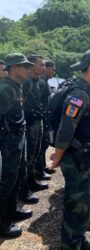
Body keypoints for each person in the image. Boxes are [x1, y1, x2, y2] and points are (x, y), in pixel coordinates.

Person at [49, 49, 90, 250]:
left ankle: (79, 240)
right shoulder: (79, 94)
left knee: (83, 203)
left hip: (82, 157)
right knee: (76, 205)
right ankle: (70, 245)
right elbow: (66, 129)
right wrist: (56, 157)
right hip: (75, 159)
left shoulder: (86, 90)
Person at [0, 53, 33, 238]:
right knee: (7, 181)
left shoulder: (15, 87)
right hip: (8, 143)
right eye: (24, 66)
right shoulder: (4, 89)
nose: (28, 69)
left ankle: (11, 213)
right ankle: (3, 224)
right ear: (13, 68)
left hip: (16, 139)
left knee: (17, 177)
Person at [21, 54, 49, 194]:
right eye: (41, 64)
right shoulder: (26, 82)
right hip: (30, 123)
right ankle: (25, 187)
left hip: (38, 121)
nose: (44, 67)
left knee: (36, 152)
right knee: (28, 154)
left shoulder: (38, 81)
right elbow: (21, 102)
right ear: (31, 66)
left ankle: (32, 180)